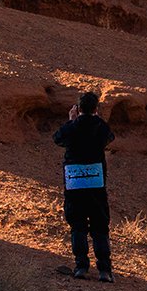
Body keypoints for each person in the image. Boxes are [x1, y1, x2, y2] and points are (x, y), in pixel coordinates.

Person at [52, 90, 114, 281]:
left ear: (78, 109)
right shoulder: (100, 126)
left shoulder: (72, 127)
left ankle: (81, 267)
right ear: (96, 109)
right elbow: (109, 138)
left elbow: (57, 138)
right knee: (100, 225)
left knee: (78, 224)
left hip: (75, 183)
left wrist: (72, 121)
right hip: (96, 182)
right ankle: (105, 270)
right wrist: (95, 119)